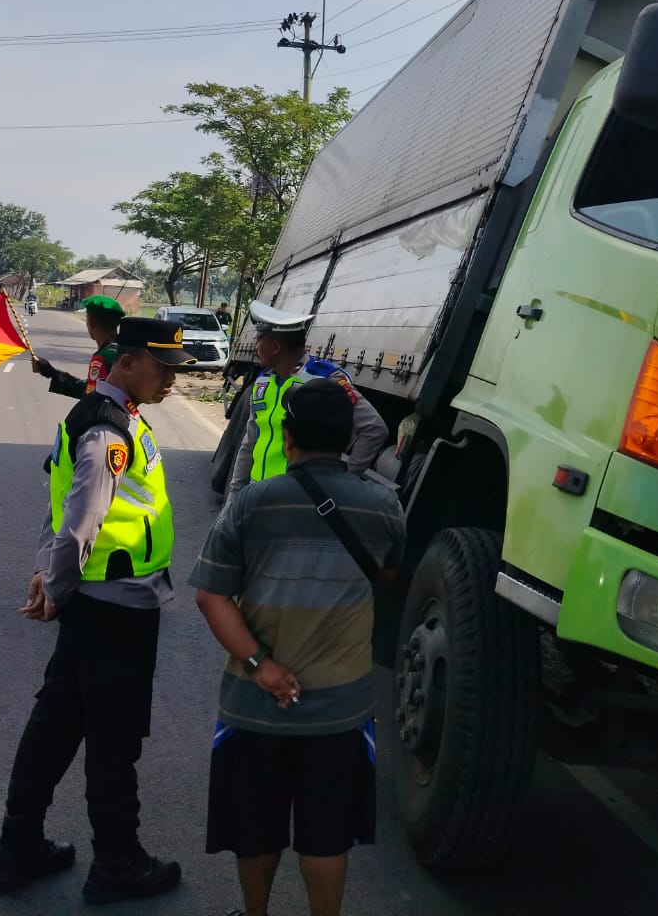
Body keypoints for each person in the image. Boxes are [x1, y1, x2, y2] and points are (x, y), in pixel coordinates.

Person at [0, 317, 197, 903]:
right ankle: (117, 863)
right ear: (126, 363)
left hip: (97, 604)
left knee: (56, 726)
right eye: (163, 369)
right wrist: (54, 587)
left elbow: (57, 505)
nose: (172, 381)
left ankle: (18, 850)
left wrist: (46, 570)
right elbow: (81, 518)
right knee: (114, 739)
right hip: (117, 607)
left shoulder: (97, 414)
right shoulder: (109, 432)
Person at [191, 381, 405, 916]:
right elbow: (388, 573)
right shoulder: (384, 507)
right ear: (349, 439)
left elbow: (211, 595)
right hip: (341, 708)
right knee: (327, 837)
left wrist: (260, 665)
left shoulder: (251, 503)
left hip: (255, 703)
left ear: (287, 437)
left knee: (256, 829)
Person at [223, 301, 388, 503]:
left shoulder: (324, 379)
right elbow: (249, 444)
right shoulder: (263, 382)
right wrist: (234, 499)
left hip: (298, 504)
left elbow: (374, 429)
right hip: (258, 499)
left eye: (259, 340)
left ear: (275, 347)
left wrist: (341, 484)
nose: (256, 347)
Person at [31, 294, 126, 399]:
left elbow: (90, 395)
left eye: (86, 319)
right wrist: (50, 371)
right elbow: (87, 387)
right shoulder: (122, 349)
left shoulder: (105, 355)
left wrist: (50, 372)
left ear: (91, 323)